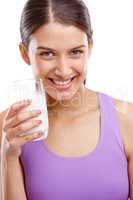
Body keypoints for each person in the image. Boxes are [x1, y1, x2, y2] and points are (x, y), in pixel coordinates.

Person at [0, 0, 133, 199]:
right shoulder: (9, 128)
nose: (63, 70)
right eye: (47, 54)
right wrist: (9, 155)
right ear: (25, 53)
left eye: (75, 52)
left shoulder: (127, 118)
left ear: (90, 48)